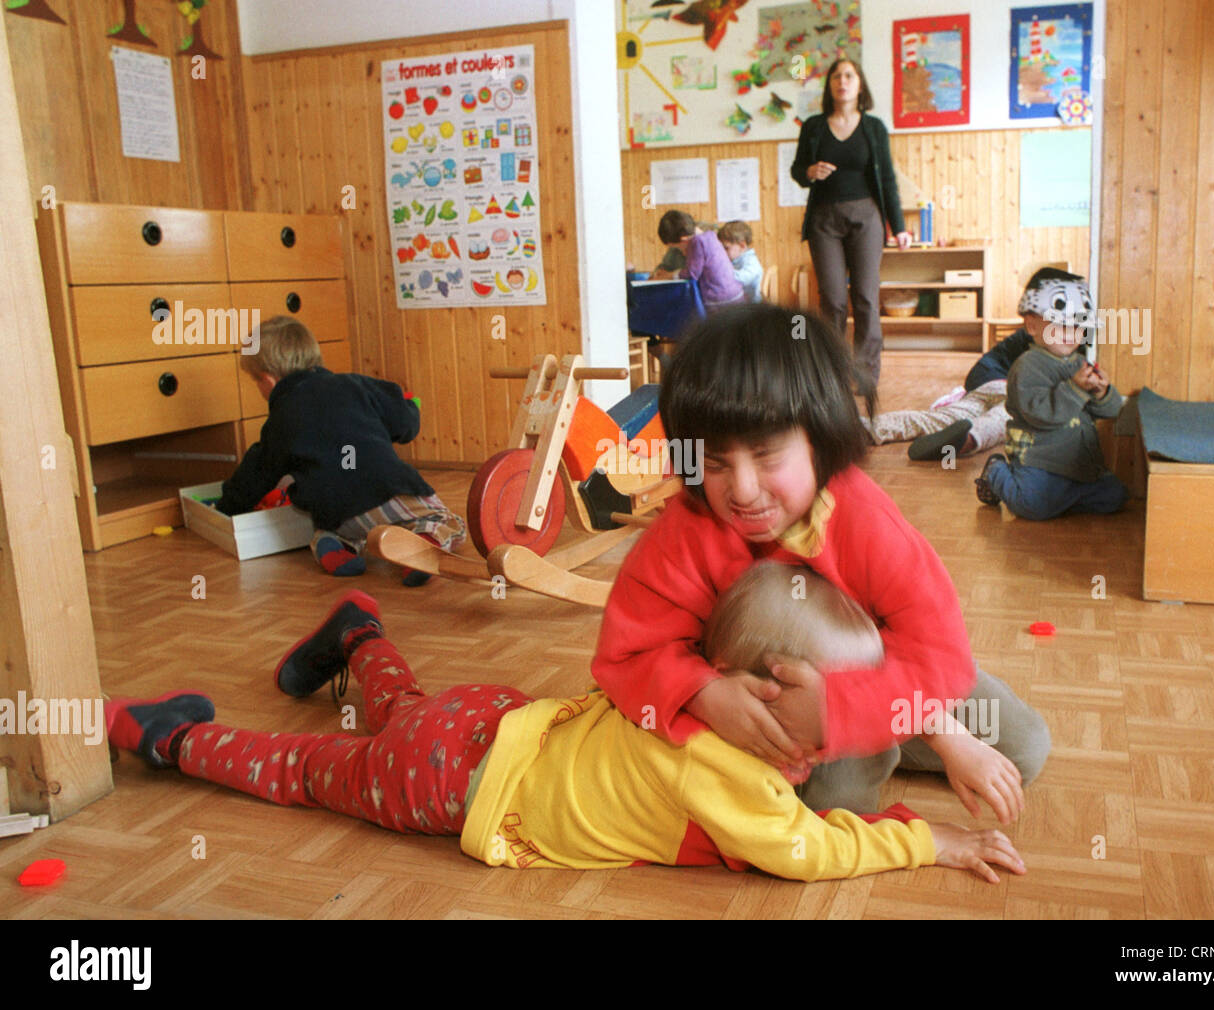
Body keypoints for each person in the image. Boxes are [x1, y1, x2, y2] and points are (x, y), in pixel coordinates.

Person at [104, 579, 1026, 883]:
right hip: (457, 790)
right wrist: (928, 842)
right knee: (308, 767)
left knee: (407, 703)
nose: (842, 741)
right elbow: (808, 851)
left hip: (502, 717)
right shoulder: (738, 782)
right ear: (766, 696)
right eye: (828, 725)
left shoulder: (684, 692)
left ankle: (359, 631)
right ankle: (165, 737)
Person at [592, 302, 1050, 818]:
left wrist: (903, 724)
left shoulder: (865, 517)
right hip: (774, 705)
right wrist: (705, 695)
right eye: (715, 463)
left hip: (884, 686)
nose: (742, 491)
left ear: (821, 439)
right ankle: (874, 745)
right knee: (833, 814)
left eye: (766, 455)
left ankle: (891, 735)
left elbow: (937, 652)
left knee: (1025, 748)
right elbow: (627, 653)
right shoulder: (686, 527)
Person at [215, 316, 465, 585]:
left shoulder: (279, 422)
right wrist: (412, 408)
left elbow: (256, 473)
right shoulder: (355, 384)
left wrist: (224, 508)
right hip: (387, 491)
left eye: (256, 382)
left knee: (330, 531)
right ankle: (421, 547)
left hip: (335, 513)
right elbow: (404, 424)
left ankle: (334, 545)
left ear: (268, 381)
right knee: (449, 522)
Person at [865, 268, 1083, 461]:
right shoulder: (1059, 346)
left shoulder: (1036, 335)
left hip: (983, 383)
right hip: (1002, 388)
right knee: (1002, 419)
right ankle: (966, 440)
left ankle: (864, 427)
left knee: (938, 419)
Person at [791, 58, 912, 392]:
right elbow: (797, 169)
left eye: (848, 75)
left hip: (867, 218)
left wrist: (898, 226)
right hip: (823, 220)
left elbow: (887, 178)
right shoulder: (813, 126)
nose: (842, 81)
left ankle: (866, 374)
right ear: (829, 85)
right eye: (836, 76)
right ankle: (830, 374)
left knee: (866, 298)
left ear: (859, 84)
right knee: (831, 300)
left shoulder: (873, 128)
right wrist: (809, 172)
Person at [974, 276, 1128, 520]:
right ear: (1033, 326)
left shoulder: (1079, 362)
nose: (1071, 333)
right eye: (1061, 325)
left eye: (1077, 326)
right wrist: (1076, 389)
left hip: (1079, 465)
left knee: (1115, 496)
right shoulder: (1026, 367)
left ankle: (1062, 499)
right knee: (1031, 506)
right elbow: (1041, 415)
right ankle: (996, 471)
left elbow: (1110, 412)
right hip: (1039, 462)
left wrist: (1102, 393)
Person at [655, 210, 744, 310]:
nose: (682, 251)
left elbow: (692, 273)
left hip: (720, 299)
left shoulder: (697, 242)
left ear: (684, 239)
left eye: (677, 247)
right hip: (734, 293)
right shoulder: (710, 235)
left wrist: (669, 275)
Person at [718, 220, 764, 303]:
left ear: (742, 245)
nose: (722, 252)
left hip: (751, 308)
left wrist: (719, 272)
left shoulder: (751, 262)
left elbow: (742, 279)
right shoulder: (735, 258)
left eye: (726, 248)